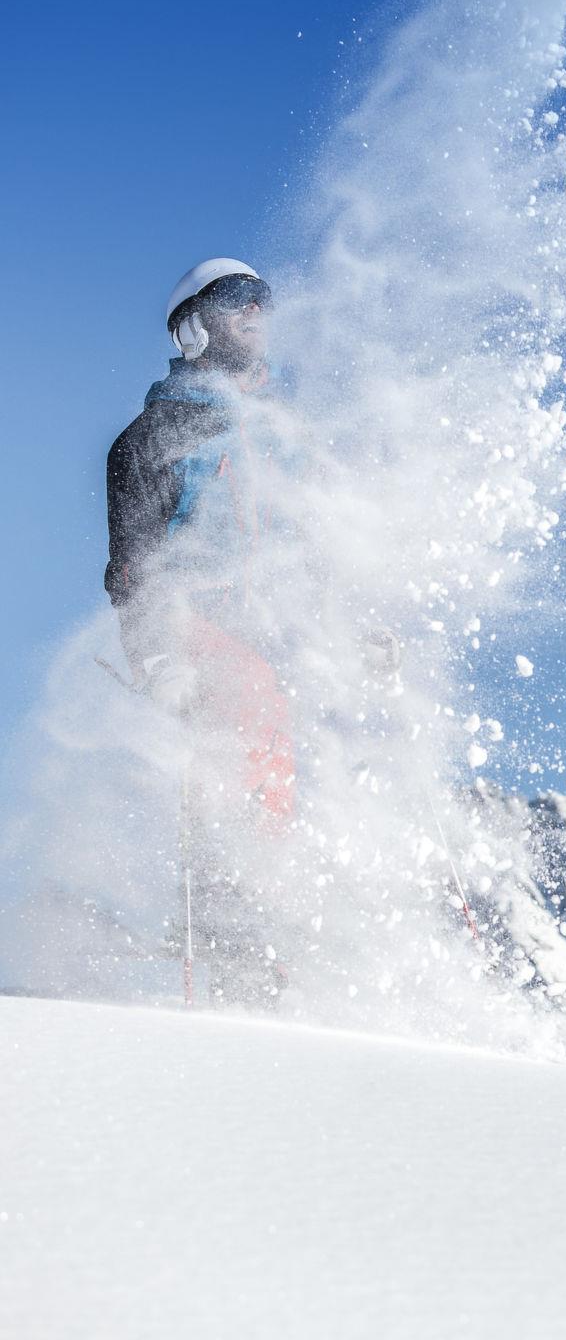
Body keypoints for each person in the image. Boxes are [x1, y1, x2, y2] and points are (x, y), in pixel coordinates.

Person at [105, 258, 295, 1006]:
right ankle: (235, 931)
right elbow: (133, 569)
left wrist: (364, 631)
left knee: (312, 750)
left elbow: (321, 543)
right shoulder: (151, 438)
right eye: (235, 299)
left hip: (274, 630)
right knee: (249, 703)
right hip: (193, 627)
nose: (255, 311)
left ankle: (296, 928)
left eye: (262, 299)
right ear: (192, 329)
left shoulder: (278, 435)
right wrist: (157, 657)